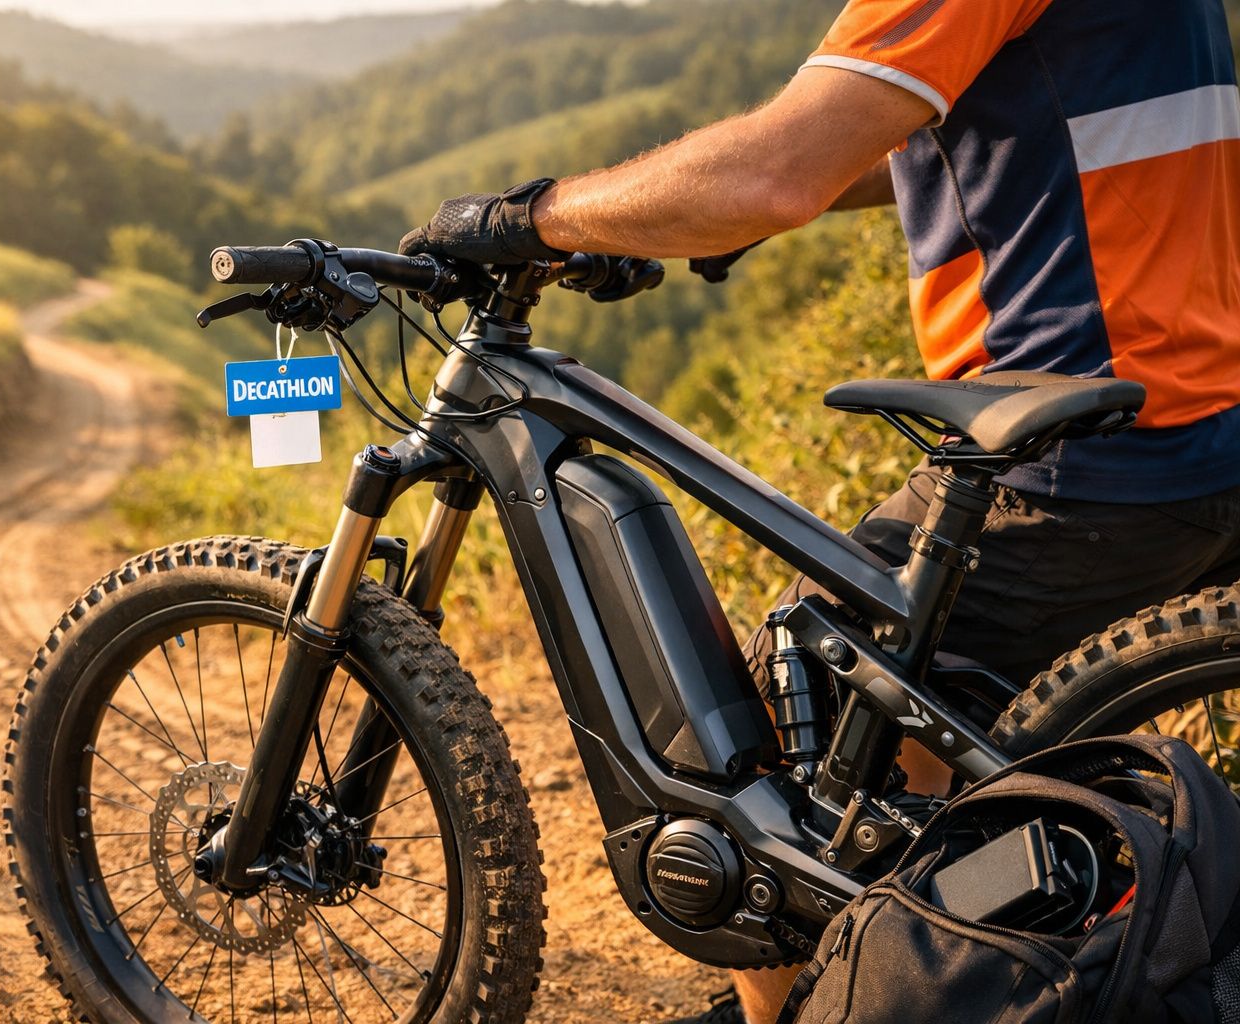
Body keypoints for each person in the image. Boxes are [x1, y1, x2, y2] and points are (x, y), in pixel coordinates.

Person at [400, 0, 1240, 1020]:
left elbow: (774, 173)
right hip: (1205, 414)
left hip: (1083, 446)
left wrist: (530, 216)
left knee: (780, 731)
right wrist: (697, 208)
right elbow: (949, 134)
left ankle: (820, 1002)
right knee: (894, 721)